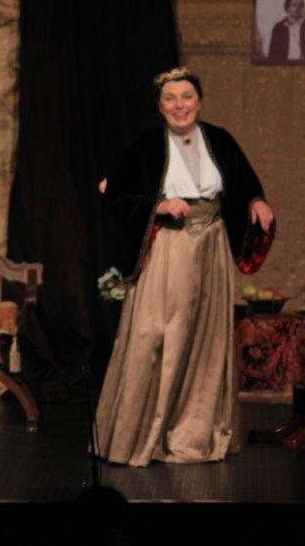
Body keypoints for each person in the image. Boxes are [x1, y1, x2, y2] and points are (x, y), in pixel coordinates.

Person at [94, 66, 275, 467]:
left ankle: (193, 433)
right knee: (156, 333)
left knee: (205, 335)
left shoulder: (219, 140)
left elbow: (243, 182)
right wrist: (157, 205)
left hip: (211, 245)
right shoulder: (147, 146)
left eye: (187, 97)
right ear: (160, 106)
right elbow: (113, 193)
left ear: (199, 101)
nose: (180, 105)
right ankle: (140, 436)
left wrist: (256, 201)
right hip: (169, 247)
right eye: (170, 99)